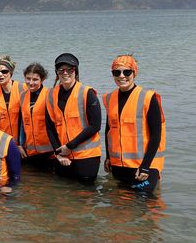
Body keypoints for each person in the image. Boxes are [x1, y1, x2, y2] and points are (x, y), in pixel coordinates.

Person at [103, 55, 166, 193]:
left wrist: (145, 166)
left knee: (144, 203)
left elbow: (156, 135)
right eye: (116, 72)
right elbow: (109, 130)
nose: (121, 76)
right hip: (119, 165)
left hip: (145, 165)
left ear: (134, 73)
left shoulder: (149, 98)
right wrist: (108, 157)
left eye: (127, 72)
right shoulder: (109, 98)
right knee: (120, 205)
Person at [45, 53, 102, 183]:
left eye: (69, 70)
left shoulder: (87, 93)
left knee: (85, 197)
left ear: (75, 71)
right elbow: (49, 127)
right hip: (63, 156)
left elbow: (95, 126)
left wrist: (70, 146)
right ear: (57, 73)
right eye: (61, 70)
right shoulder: (50, 95)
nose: (65, 73)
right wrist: (58, 152)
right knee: (64, 197)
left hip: (86, 156)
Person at [20, 63, 54, 165]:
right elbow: (22, 123)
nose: (31, 82)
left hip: (50, 152)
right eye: (28, 78)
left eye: (35, 79)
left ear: (42, 79)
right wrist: (20, 145)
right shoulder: (22, 96)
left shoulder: (50, 94)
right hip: (29, 151)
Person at [0, 55, 24, 139]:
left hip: (21, 140)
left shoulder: (23, 88)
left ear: (11, 73)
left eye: (4, 71)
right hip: (0, 138)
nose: (0, 74)